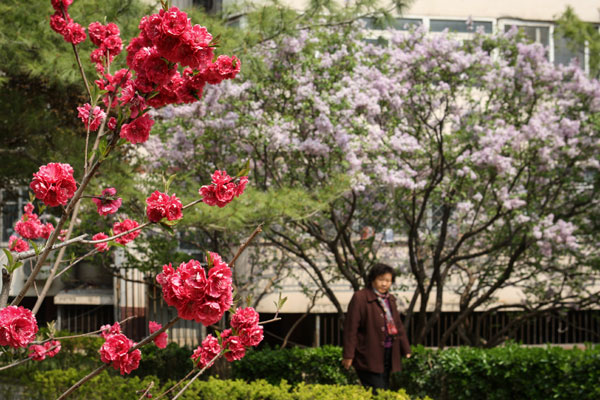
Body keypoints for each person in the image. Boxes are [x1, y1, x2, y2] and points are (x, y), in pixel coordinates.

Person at [342, 263, 411, 393]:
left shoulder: (390, 299)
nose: (384, 284)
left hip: (388, 352)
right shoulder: (360, 297)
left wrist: (405, 348)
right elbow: (351, 328)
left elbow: (398, 326)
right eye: (381, 280)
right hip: (368, 354)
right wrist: (348, 355)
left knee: (384, 389)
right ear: (372, 279)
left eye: (388, 281)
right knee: (378, 391)